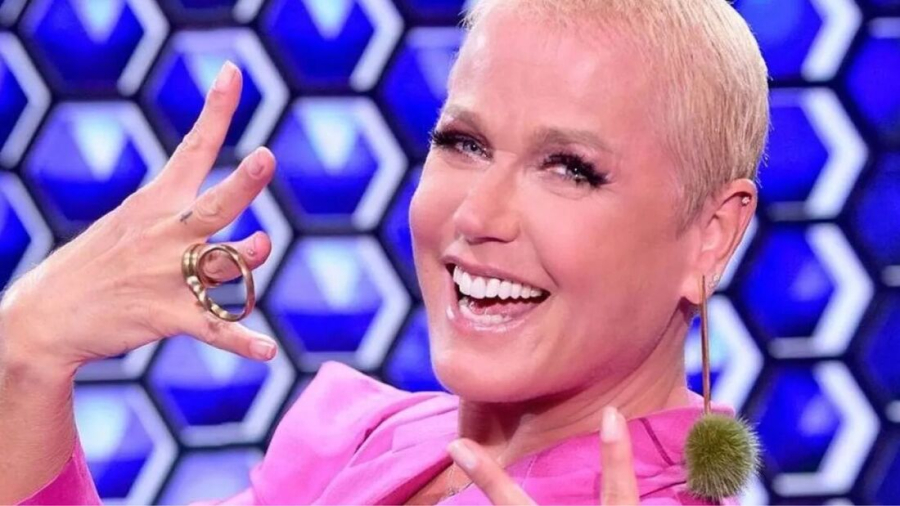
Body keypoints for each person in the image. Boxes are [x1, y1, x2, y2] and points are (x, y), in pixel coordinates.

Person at [0, 0, 769, 503]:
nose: (477, 214)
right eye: (463, 142)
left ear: (713, 235)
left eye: (569, 168)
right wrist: (28, 354)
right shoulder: (373, 434)